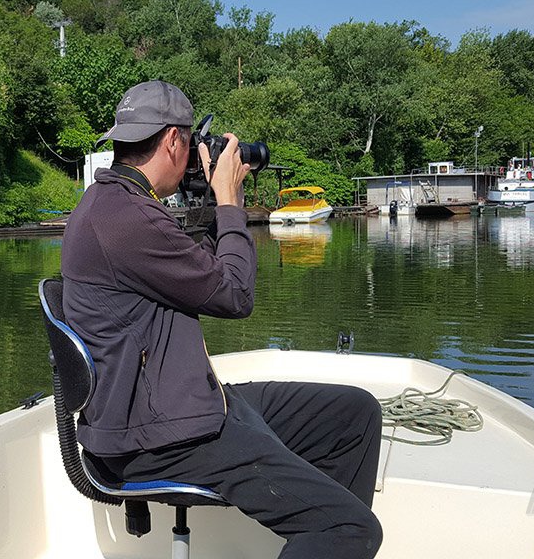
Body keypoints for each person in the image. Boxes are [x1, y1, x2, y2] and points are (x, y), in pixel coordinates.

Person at [60, 80, 383, 559]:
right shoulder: (126, 219)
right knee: (353, 530)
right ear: (173, 140)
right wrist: (229, 198)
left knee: (353, 415)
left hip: (175, 407)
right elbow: (233, 295)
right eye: (190, 142)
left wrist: (213, 201)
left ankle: (318, 529)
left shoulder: (116, 206)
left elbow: (198, 270)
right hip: (161, 436)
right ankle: (330, 531)